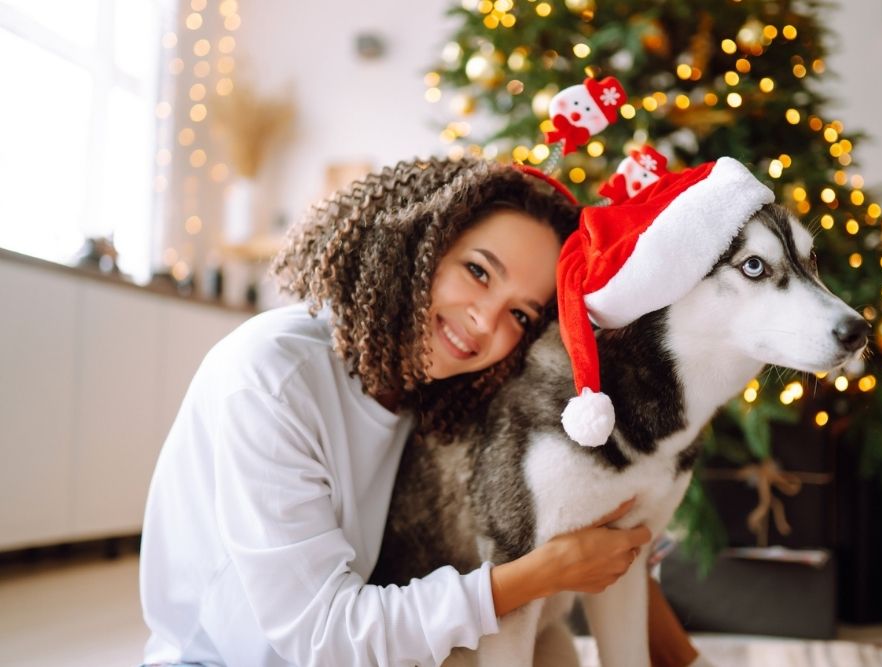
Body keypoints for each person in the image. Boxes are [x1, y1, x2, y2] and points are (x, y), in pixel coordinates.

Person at [140, 156, 672, 667]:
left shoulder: (430, 397)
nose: (486, 323)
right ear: (419, 243)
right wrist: (539, 574)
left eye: (520, 313)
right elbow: (322, 634)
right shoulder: (272, 376)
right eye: (478, 272)